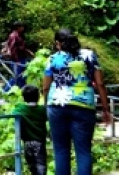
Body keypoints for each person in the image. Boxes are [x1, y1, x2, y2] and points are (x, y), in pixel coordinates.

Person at [43, 28, 111, 175]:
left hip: (56, 105)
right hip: (84, 106)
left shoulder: (52, 59)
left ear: (57, 43)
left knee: (60, 150)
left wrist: (45, 107)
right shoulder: (89, 55)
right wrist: (105, 109)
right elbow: (100, 84)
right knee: (83, 150)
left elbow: (46, 87)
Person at [15, 85, 48, 175]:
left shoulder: (21, 110)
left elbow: (14, 113)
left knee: (32, 165)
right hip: (40, 142)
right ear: (38, 97)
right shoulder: (42, 110)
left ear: (24, 98)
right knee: (41, 164)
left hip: (27, 142)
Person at [5, 21, 34, 91]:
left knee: (22, 77)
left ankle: (23, 92)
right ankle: (5, 91)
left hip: (22, 58)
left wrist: (28, 52)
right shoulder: (13, 36)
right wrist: (16, 61)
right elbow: (12, 49)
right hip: (17, 60)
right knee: (16, 77)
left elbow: (21, 47)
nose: (23, 28)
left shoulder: (19, 35)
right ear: (18, 27)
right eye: (22, 26)